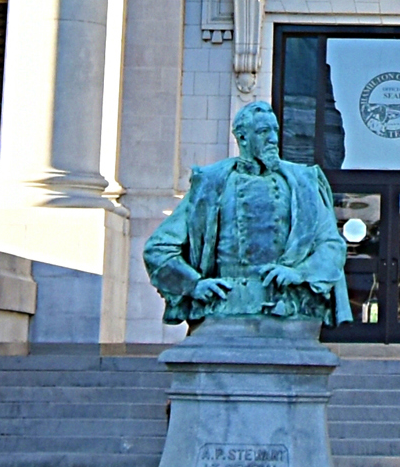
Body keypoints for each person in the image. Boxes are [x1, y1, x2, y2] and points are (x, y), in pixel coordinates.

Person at [143, 100, 350, 326]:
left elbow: (331, 245)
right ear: (242, 138)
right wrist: (193, 284)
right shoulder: (210, 184)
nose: (273, 139)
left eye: (275, 131)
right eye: (263, 132)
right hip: (224, 305)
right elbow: (158, 249)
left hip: (287, 306)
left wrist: (300, 273)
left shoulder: (303, 183)